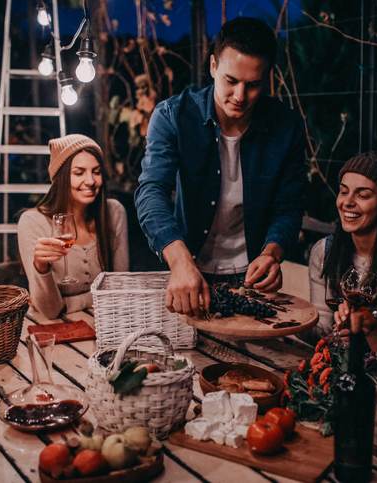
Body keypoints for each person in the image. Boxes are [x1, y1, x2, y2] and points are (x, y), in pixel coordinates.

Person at [134, 17, 306, 316]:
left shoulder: (286, 126)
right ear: (213, 66)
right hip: (188, 267)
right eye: (231, 80)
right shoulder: (173, 116)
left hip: (251, 275)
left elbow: (289, 206)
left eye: (253, 85)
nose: (240, 96)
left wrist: (272, 253)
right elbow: (151, 192)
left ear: (267, 79)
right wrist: (180, 261)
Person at [18, 134, 129, 319]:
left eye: (96, 171)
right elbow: (50, 311)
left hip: (105, 325)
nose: (91, 181)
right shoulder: (32, 222)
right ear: (60, 178)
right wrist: (41, 267)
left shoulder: (113, 212)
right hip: (51, 330)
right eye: (79, 173)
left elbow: (120, 291)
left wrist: (69, 303)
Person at [304, 151, 377, 344]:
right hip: (337, 368)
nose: (347, 202)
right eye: (343, 191)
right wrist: (288, 321)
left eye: (363, 195)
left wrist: (369, 330)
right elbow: (321, 330)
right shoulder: (324, 252)